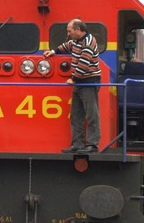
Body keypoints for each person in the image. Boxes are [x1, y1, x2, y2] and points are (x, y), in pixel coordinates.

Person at [43, 18, 101, 153]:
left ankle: (92, 145)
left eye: (70, 31)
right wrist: (54, 51)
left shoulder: (88, 42)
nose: (68, 34)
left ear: (78, 30)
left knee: (91, 114)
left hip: (89, 81)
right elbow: (67, 45)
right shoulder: (76, 41)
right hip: (80, 82)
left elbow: (84, 64)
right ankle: (77, 144)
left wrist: (74, 79)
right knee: (76, 115)